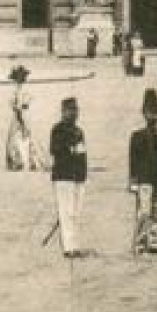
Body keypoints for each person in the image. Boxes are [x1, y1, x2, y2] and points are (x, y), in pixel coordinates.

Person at [128, 88, 157, 255]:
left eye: (155, 113)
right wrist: (133, 181)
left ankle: (155, 243)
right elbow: (132, 161)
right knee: (144, 212)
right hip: (144, 178)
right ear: (143, 114)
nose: (153, 117)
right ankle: (141, 243)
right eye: (149, 113)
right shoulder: (137, 136)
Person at [50, 97, 89, 258]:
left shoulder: (79, 131)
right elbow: (55, 150)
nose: (73, 113)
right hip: (63, 176)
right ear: (63, 112)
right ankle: (68, 247)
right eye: (70, 110)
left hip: (78, 176)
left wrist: (83, 175)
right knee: (66, 212)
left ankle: (75, 244)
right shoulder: (57, 130)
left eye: (75, 110)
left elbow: (83, 154)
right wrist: (70, 149)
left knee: (76, 212)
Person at [6, 67, 42, 171]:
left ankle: (25, 161)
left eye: (16, 79)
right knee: (18, 138)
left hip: (21, 115)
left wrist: (21, 118)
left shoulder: (22, 90)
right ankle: (21, 161)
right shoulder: (18, 90)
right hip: (19, 115)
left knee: (20, 138)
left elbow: (22, 105)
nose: (15, 81)